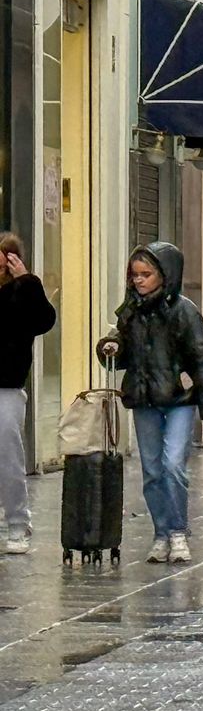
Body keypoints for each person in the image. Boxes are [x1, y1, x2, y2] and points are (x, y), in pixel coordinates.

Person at [97, 242, 203, 564]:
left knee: (173, 465)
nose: (138, 280)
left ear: (164, 275)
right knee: (152, 470)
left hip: (179, 400)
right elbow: (123, 353)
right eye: (134, 275)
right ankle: (161, 533)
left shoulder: (184, 311)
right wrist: (109, 347)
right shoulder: (130, 313)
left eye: (146, 274)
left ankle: (178, 532)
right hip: (145, 400)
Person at [0, 234, 57, 555]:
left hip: (6, 385)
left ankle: (18, 523)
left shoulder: (20, 293)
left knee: (8, 456)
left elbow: (44, 321)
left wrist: (28, 281)